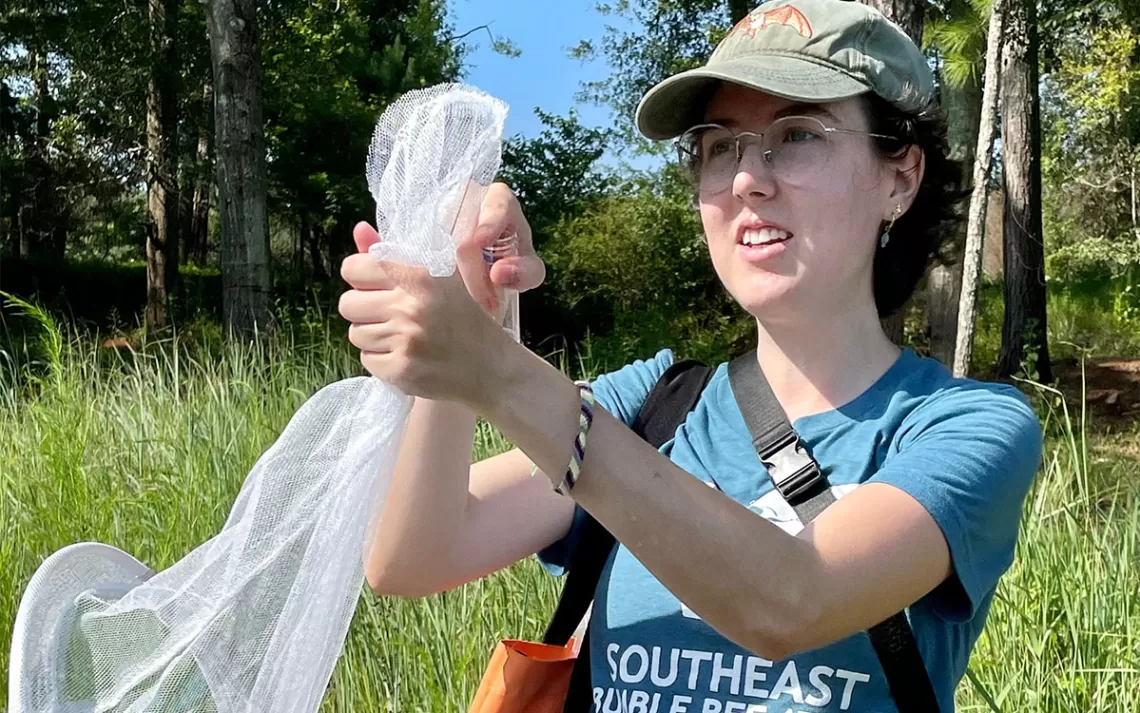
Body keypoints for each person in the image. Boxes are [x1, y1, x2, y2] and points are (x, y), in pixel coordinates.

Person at [336, 0, 1044, 710]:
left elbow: (792, 600)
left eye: (796, 136)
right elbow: (412, 556)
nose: (746, 180)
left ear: (901, 177)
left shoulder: (967, 427)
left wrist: (496, 368)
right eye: (720, 145)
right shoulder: (651, 408)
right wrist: (468, 331)